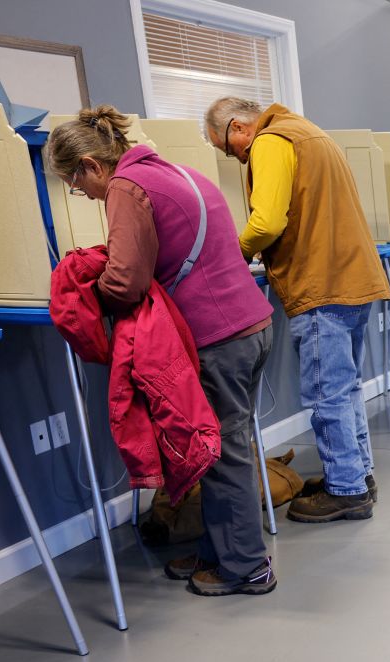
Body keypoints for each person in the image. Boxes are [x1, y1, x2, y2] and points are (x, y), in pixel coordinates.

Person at [46, 106, 277, 596]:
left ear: (91, 164)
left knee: (221, 454)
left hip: (219, 337)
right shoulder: (176, 171)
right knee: (220, 448)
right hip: (251, 325)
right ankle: (220, 551)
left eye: (74, 182)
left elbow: (127, 282)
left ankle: (247, 568)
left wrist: (90, 292)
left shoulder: (126, 189)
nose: (80, 193)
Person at [205, 97, 389, 524]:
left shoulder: (271, 141)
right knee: (346, 389)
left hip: (321, 282)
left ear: (237, 129)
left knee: (326, 393)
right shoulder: (309, 132)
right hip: (353, 276)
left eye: (230, 151)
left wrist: (232, 254)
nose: (237, 159)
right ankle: (357, 475)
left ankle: (347, 491)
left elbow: (267, 222)